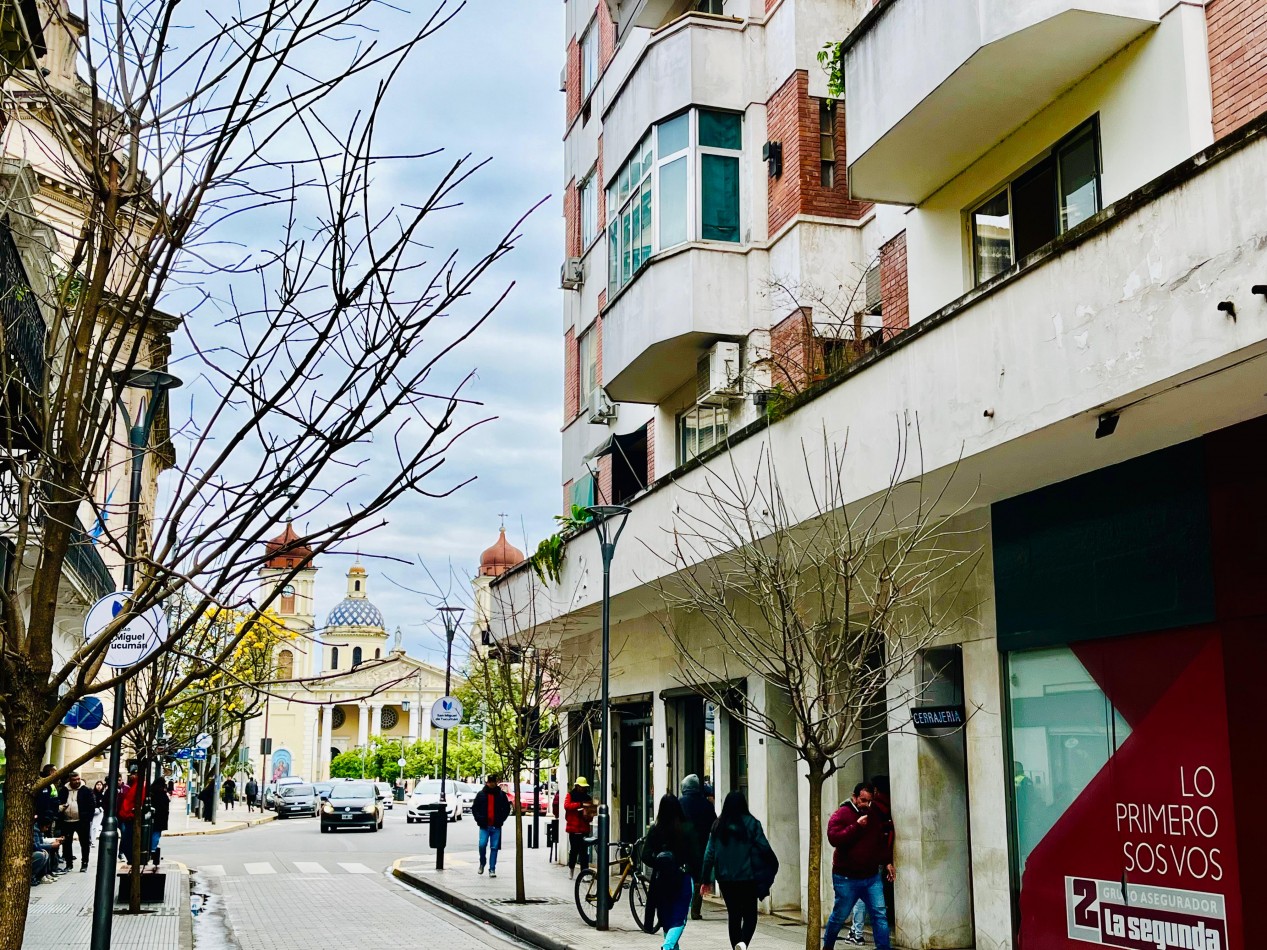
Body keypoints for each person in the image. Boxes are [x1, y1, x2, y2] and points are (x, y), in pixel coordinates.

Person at [702, 791, 779, 950]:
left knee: (734, 915)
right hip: (747, 877)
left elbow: (709, 854)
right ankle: (743, 944)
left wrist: (705, 880)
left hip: (724, 879)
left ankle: (737, 946)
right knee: (750, 917)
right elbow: (764, 848)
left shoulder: (718, 825)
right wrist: (770, 865)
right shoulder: (751, 823)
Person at [822, 783, 895, 950]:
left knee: (879, 915)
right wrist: (856, 827)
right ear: (854, 797)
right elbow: (834, 838)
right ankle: (828, 947)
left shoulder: (873, 814)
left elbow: (879, 840)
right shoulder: (842, 814)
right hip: (846, 878)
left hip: (871, 876)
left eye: (869, 801)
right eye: (863, 800)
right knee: (839, 916)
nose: (866, 805)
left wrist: (887, 861)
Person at [643, 794, 695, 950]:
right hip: (681, 878)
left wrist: (659, 863)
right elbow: (694, 855)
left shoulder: (655, 829)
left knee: (666, 918)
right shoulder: (686, 828)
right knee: (679, 917)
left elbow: (645, 856)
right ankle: (667, 947)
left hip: (661, 880)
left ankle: (669, 945)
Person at [848, 776, 895, 944]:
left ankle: (857, 932)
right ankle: (880, 942)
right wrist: (888, 860)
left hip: (868, 860)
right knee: (878, 904)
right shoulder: (889, 806)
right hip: (881, 857)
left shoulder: (873, 808)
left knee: (861, 896)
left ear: (875, 791)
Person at [679, 774, 717, 920]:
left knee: (682, 875)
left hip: (682, 845)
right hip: (701, 846)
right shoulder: (706, 804)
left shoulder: (681, 802)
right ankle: (695, 910)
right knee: (698, 878)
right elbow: (713, 824)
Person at [472, 774, 512, 878]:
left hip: (496, 826)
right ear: (487, 782)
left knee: (494, 848)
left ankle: (492, 868)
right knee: (482, 845)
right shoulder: (481, 794)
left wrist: (501, 819)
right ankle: (482, 862)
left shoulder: (501, 795)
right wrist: (479, 819)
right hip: (484, 826)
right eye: (490, 782)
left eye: (493, 782)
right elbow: (475, 808)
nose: (491, 784)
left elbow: (506, 809)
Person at [58, 771, 96, 872]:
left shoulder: (86, 790)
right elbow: (58, 802)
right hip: (67, 821)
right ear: (70, 780)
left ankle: (84, 863)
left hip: (81, 821)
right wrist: (61, 808)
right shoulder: (63, 790)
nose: (77, 781)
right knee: (66, 844)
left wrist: (88, 819)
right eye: (74, 780)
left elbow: (92, 805)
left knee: (84, 843)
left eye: (78, 779)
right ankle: (69, 864)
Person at [563, 776, 595, 878]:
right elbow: (566, 806)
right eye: (581, 786)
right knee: (574, 851)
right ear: (577, 786)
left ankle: (584, 874)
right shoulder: (570, 795)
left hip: (584, 828)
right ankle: (571, 869)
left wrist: (588, 814)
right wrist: (579, 805)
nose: (582, 789)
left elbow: (591, 812)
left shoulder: (588, 798)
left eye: (584, 787)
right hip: (573, 828)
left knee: (584, 853)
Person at [149, 773, 171, 868]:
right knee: (156, 834)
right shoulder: (161, 793)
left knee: (153, 833)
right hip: (160, 817)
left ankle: (151, 849)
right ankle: (153, 850)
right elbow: (165, 805)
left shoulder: (151, 791)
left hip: (153, 817)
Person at [34, 763, 60, 834]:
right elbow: (43, 801)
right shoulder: (44, 784)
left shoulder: (51, 784)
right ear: (51, 772)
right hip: (44, 817)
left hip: (50, 815)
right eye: (55, 771)